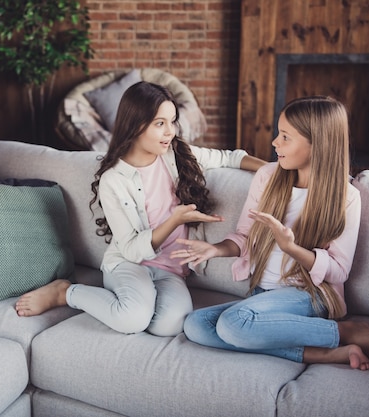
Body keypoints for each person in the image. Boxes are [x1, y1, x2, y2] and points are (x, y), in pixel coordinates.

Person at [15, 81, 265, 336]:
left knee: (169, 326)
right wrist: (174, 221)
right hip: (130, 263)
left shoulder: (177, 155)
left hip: (171, 271)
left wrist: (272, 170)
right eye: (160, 123)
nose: (170, 132)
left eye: (172, 121)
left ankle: (132, 302)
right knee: (133, 320)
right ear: (135, 125)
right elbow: (132, 250)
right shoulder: (114, 180)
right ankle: (66, 292)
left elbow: (229, 157)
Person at [172, 96, 369, 372]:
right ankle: (328, 353)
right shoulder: (267, 177)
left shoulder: (346, 197)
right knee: (196, 325)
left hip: (308, 295)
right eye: (279, 134)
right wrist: (215, 249)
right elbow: (244, 236)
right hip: (260, 293)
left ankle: (345, 332)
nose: (275, 142)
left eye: (286, 137)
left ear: (318, 144)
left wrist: (291, 248)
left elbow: (339, 271)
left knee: (233, 324)